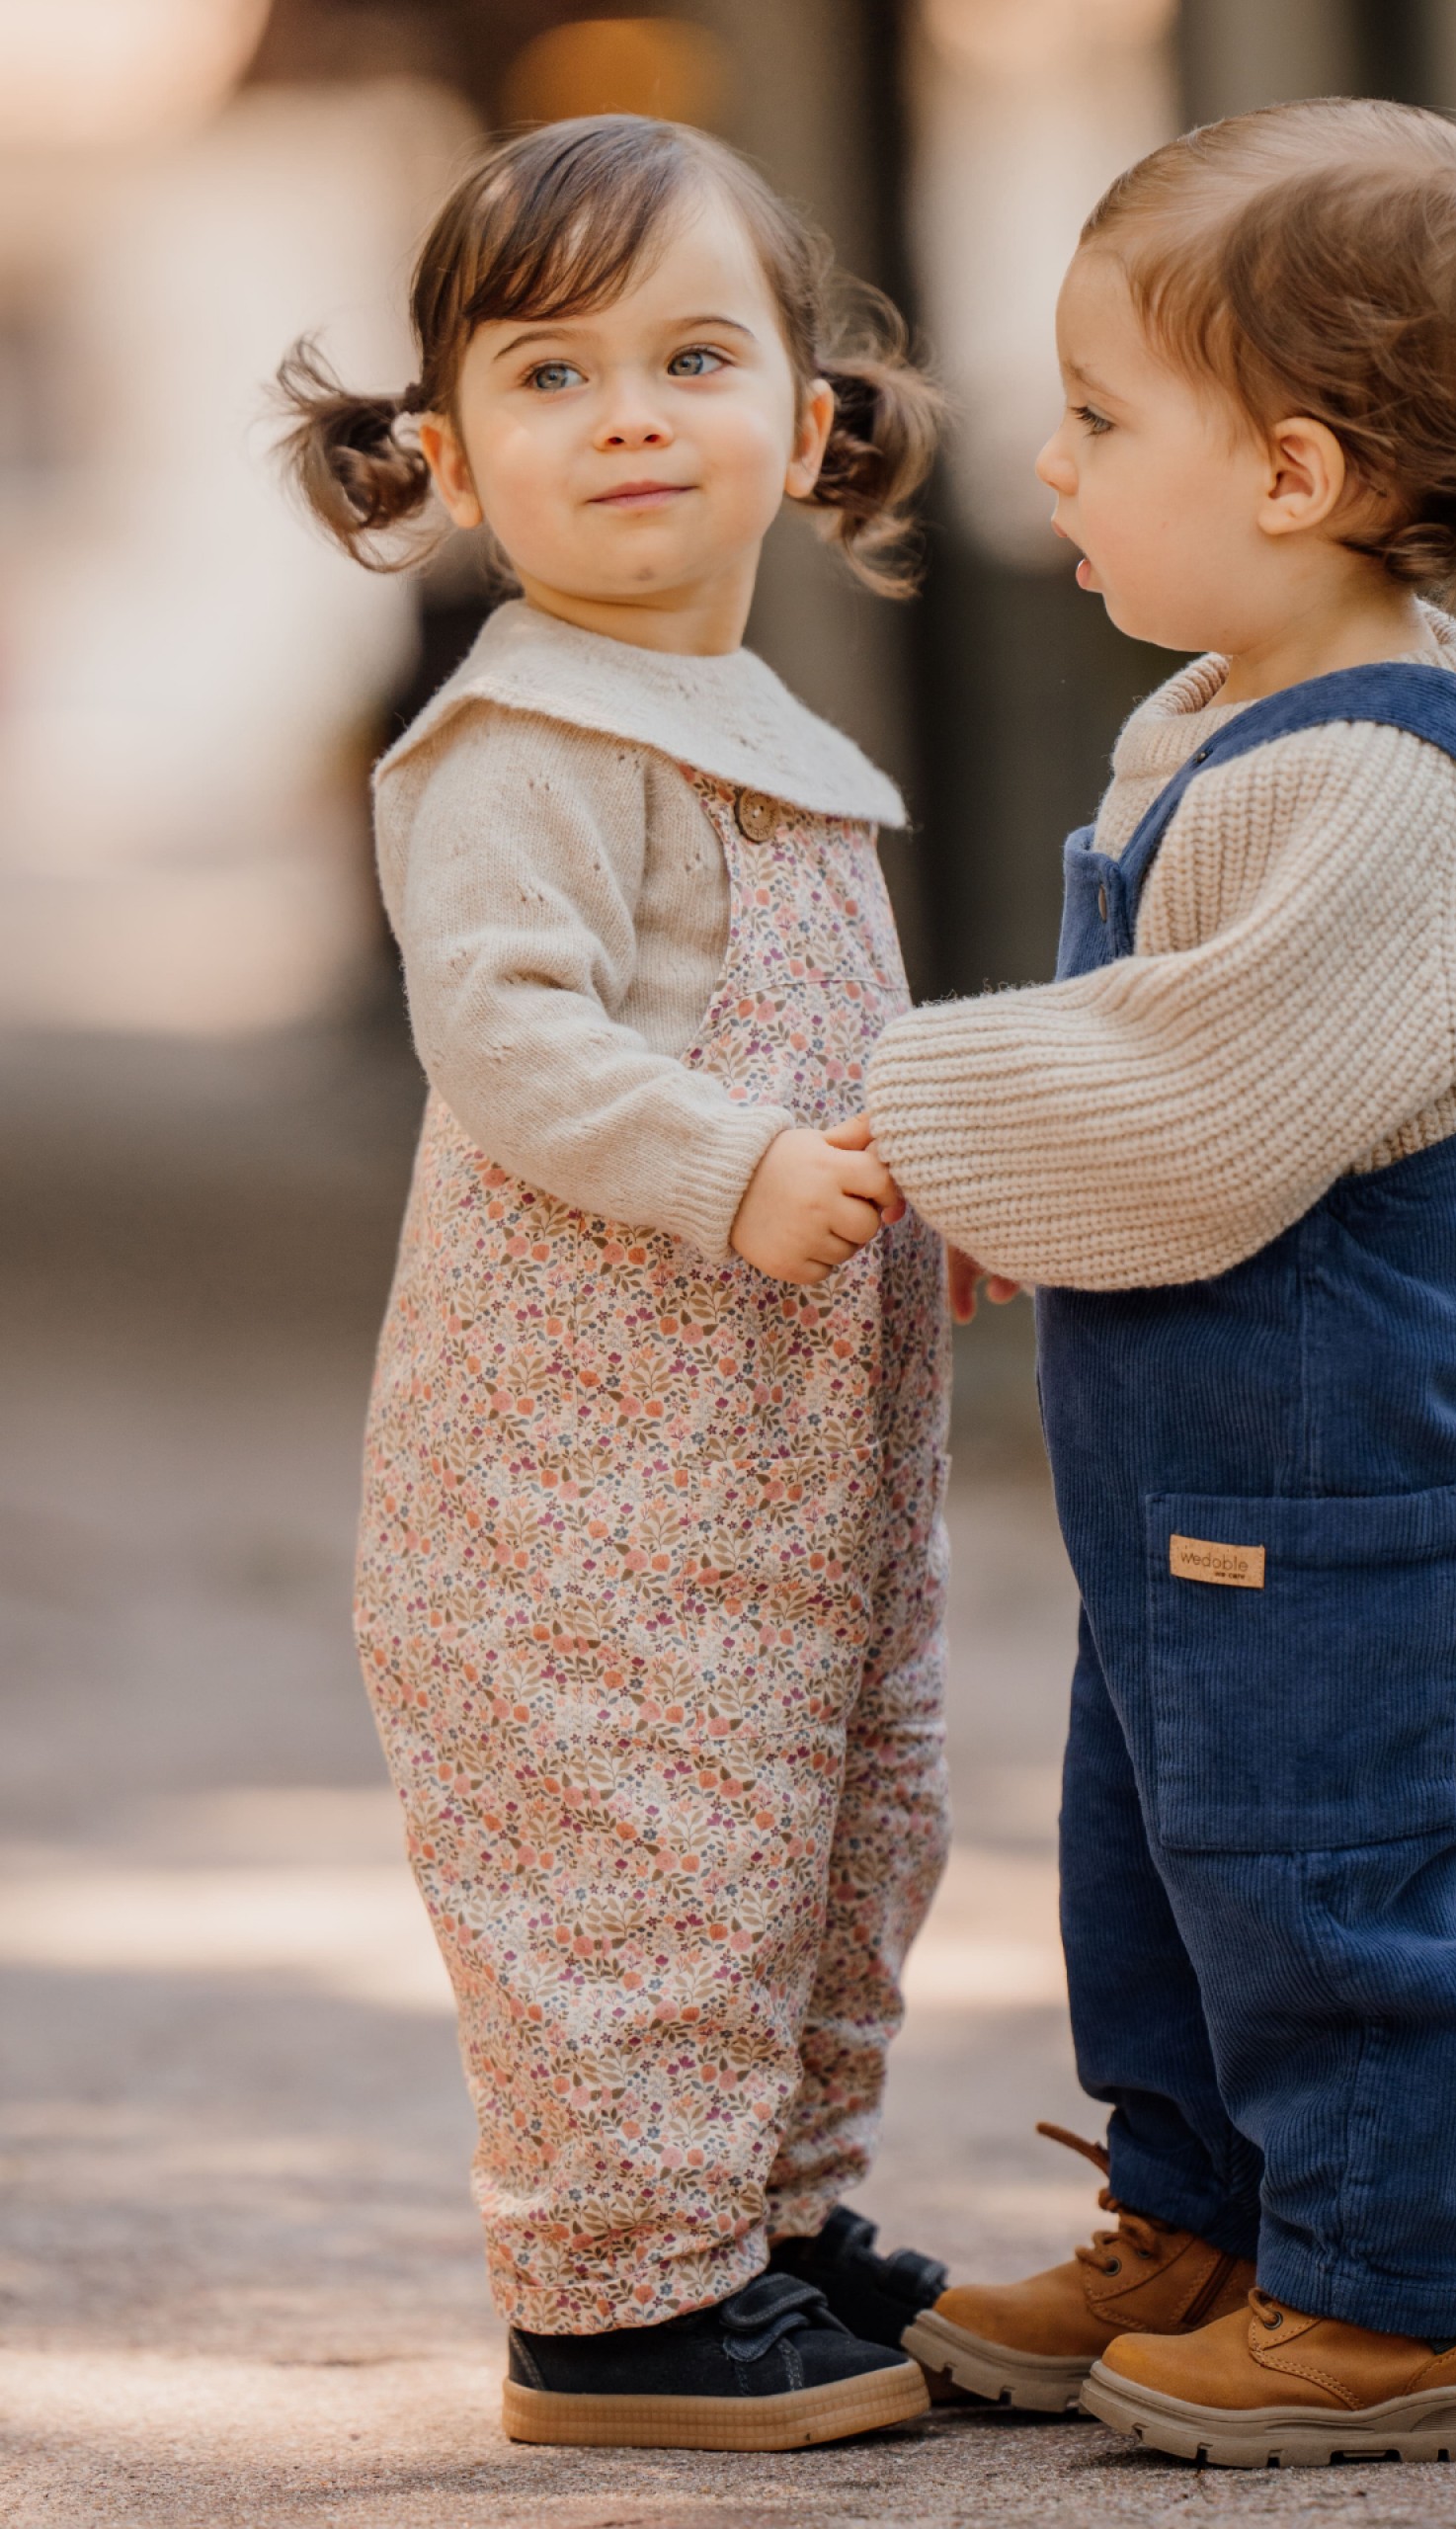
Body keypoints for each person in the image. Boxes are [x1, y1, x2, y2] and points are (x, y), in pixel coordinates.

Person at [870, 100, 1456, 2469]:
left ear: (1291, 472)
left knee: (1331, 1869)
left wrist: (913, 1134)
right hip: (1210, 1487)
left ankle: (1391, 2292)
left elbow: (1195, 1102)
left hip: (1354, 1490)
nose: (1051, 463)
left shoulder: (1383, 787)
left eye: (1097, 418)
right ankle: (1205, 2212)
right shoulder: (1214, 720)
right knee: (1172, 1846)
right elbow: (1183, 1083)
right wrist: (1021, 1182)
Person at [279, 115, 954, 2453]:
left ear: (814, 421)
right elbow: (514, 1029)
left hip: (771, 1433)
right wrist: (744, 1163)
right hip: (586, 1470)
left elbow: (814, 1031)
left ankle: (766, 2212)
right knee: (639, 1829)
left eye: (694, 356)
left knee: (834, 1809)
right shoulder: (526, 729)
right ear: (446, 459)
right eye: (555, 378)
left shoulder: (775, 734)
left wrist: (904, 1202)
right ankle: (620, 2292)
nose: (637, 415)